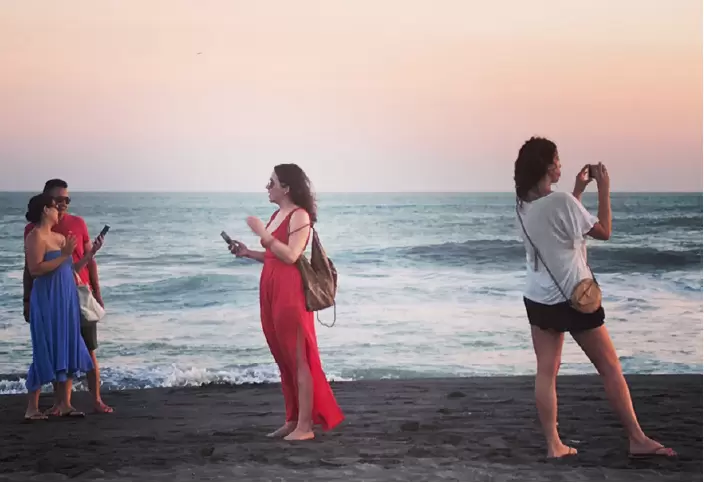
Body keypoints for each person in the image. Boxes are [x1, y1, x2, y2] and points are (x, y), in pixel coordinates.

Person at [513, 136, 676, 459]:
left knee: (547, 371)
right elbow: (603, 231)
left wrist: (578, 192)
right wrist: (603, 187)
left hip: (538, 297)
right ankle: (637, 438)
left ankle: (553, 445)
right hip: (574, 297)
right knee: (610, 367)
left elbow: (560, 226)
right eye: (557, 160)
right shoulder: (561, 202)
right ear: (548, 167)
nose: (561, 165)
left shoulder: (524, 205)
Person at [228, 164, 344, 441]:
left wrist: (264, 235)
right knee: (283, 358)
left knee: (298, 358)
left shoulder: (299, 215)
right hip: (269, 287)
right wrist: (248, 252)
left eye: (272, 182)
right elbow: (273, 255)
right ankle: (292, 420)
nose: (267, 187)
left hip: (289, 291)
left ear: (287, 188)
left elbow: (291, 255)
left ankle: (305, 427)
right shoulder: (276, 214)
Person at [23, 179, 113, 414]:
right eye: (56, 203)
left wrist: (91, 253)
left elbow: (72, 268)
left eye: (65, 201)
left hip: (68, 298)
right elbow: (33, 269)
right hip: (47, 298)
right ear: (46, 207)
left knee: (68, 348)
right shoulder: (34, 235)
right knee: (45, 348)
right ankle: (34, 407)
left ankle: (66, 404)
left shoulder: (62, 237)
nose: (61, 206)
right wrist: (26, 299)